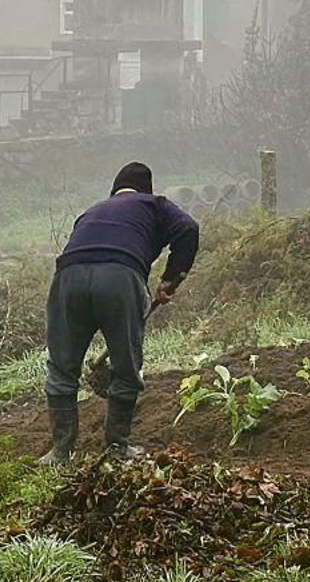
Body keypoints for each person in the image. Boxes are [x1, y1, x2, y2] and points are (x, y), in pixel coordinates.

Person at [35, 161, 199, 464]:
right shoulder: (154, 204)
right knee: (125, 367)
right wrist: (171, 278)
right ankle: (118, 448)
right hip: (120, 277)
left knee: (62, 368)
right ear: (145, 190)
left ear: (115, 191)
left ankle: (61, 452)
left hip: (68, 277)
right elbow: (188, 228)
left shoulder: (92, 211)